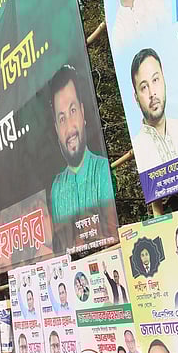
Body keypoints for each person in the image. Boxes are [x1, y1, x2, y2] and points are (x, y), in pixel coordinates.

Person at [48, 65, 116, 235]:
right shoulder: (56, 189)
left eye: (72, 111)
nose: (70, 127)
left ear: (82, 112)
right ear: (56, 129)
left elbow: (111, 232)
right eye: (62, 118)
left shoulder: (101, 170)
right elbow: (63, 243)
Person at [129, 49, 178, 168]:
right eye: (144, 87)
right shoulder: (137, 149)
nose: (152, 93)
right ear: (136, 98)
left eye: (155, 80)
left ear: (164, 81)